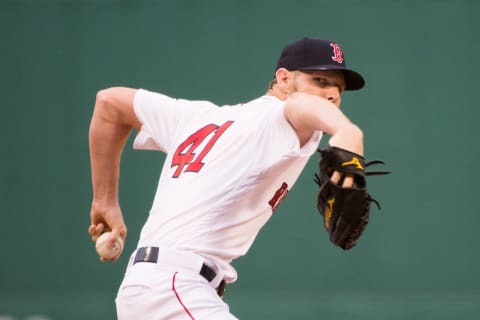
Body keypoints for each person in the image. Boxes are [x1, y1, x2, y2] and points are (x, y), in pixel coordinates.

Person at [88, 37, 366, 319]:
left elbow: (110, 103)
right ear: (283, 79)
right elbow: (298, 106)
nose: (331, 93)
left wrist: (105, 200)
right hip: (174, 289)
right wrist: (348, 131)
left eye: (339, 88)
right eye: (319, 80)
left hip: (158, 287)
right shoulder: (275, 118)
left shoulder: (198, 117)